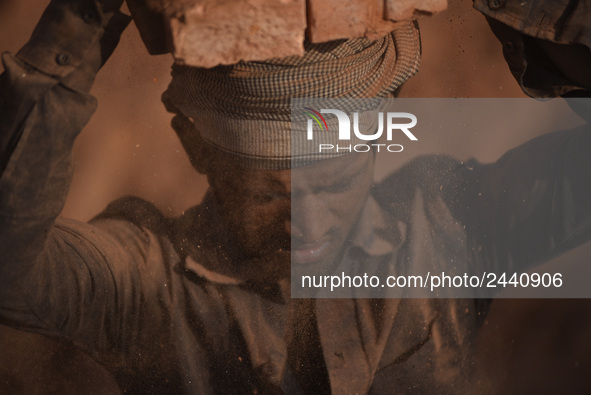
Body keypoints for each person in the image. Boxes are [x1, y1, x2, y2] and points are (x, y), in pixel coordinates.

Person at [1, 0, 590, 394]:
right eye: (265, 194)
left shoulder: (449, 231)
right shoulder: (145, 286)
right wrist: (82, 20)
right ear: (195, 147)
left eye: (333, 184)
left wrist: (531, 9)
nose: (305, 224)